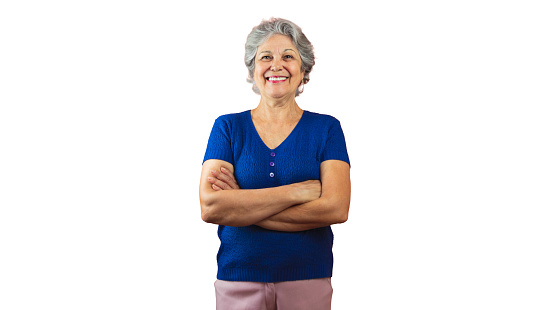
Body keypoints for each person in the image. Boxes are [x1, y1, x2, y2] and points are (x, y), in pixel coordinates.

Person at [199, 17, 351, 310]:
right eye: (265, 57)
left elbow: (336, 207)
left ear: (303, 69)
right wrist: (295, 193)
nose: (276, 65)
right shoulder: (228, 128)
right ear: (253, 70)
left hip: (308, 279)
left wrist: (240, 206)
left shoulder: (327, 129)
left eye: (288, 57)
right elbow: (211, 207)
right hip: (237, 279)